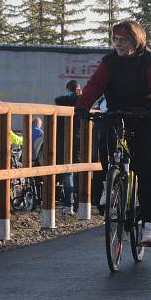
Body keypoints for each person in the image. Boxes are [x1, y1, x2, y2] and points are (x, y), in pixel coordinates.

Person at [75, 20, 151, 247]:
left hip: (147, 116)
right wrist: (82, 106)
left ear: (135, 41)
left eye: (123, 40)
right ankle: (110, 184)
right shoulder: (109, 62)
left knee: (146, 169)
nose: (118, 44)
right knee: (105, 143)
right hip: (117, 112)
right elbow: (95, 85)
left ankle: (148, 227)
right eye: (115, 40)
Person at [54, 80, 82, 214]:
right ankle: (78, 204)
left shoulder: (60, 102)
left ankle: (68, 204)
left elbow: (57, 124)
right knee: (78, 172)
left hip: (64, 140)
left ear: (67, 89)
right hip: (80, 141)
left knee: (67, 172)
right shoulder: (83, 102)